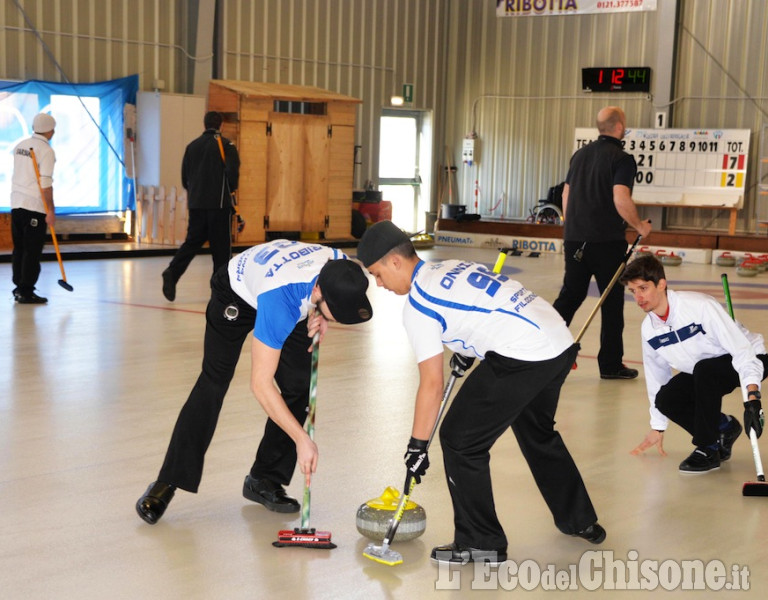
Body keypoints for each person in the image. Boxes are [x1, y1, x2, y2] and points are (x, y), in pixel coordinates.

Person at [356, 220, 604, 566]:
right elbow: (481, 310)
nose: (379, 284)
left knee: (460, 439)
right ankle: (581, 520)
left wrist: (416, 445)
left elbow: (431, 383)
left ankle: (480, 541)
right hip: (558, 343)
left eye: (377, 274)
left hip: (525, 354)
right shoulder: (449, 266)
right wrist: (467, 347)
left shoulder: (419, 305)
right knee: (537, 432)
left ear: (394, 261)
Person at [137, 240, 373, 524]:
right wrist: (302, 439)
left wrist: (321, 314)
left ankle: (264, 479)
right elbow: (260, 385)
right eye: (335, 309)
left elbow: (330, 292)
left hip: (287, 288)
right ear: (318, 291)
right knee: (214, 382)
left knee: (298, 386)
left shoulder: (340, 264)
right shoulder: (281, 300)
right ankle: (167, 481)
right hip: (237, 293)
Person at [621, 255, 767, 473]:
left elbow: (742, 351)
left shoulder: (699, 306)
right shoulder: (649, 330)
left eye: (643, 288)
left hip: (751, 358)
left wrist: (752, 397)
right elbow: (656, 376)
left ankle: (708, 448)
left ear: (661, 284)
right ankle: (724, 427)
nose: (638, 297)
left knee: (705, 370)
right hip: (704, 369)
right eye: (633, 291)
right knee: (666, 398)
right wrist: (657, 427)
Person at [552, 106, 652, 379]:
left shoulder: (579, 155)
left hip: (575, 239)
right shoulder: (622, 159)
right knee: (610, 302)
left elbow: (566, 196)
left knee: (570, 296)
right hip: (606, 242)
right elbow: (621, 199)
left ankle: (541, 350)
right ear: (619, 127)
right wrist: (639, 226)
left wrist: (572, 226)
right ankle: (610, 365)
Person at [162, 111, 240, 302]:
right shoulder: (227, 145)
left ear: (204, 125)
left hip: (196, 204)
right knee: (221, 250)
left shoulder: (192, 147)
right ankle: (220, 291)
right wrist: (231, 190)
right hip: (219, 205)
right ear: (221, 126)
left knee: (192, 242)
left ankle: (172, 273)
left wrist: (197, 195)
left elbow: (184, 178)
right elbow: (232, 174)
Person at [10, 113, 57, 304]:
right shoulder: (46, 150)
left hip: (16, 204)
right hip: (34, 206)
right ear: (50, 130)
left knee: (19, 248)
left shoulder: (20, 146)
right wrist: (51, 210)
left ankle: (19, 287)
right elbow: (45, 183)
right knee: (32, 250)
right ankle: (26, 290)